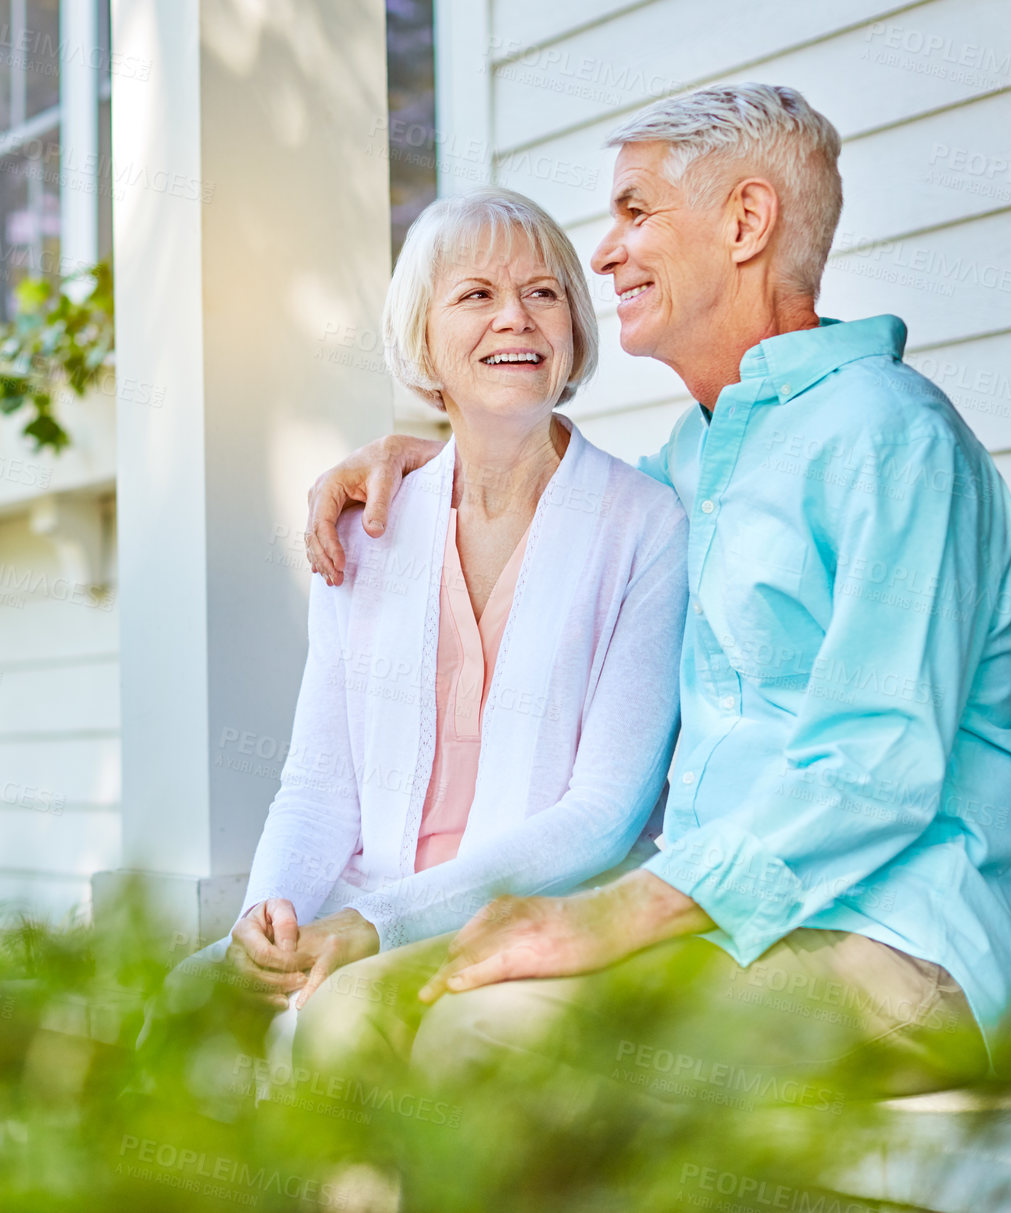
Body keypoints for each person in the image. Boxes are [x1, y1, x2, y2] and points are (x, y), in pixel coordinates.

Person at [297, 83, 1011, 1100]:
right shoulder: (694, 462)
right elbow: (555, 503)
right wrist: (431, 456)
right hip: (718, 930)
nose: (603, 253)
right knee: (349, 1011)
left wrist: (606, 916)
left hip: (885, 946)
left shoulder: (892, 438)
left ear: (745, 224)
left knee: (481, 1035)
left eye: (636, 211)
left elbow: (876, 766)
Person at [167, 187, 688, 1033]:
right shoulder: (365, 527)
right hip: (355, 909)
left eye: (542, 293)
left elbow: (602, 817)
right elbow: (317, 786)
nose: (514, 318)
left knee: (338, 1024)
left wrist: (379, 925)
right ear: (423, 342)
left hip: (524, 921)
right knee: (191, 1001)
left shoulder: (645, 525)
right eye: (476, 295)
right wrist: (267, 922)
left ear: (574, 329)